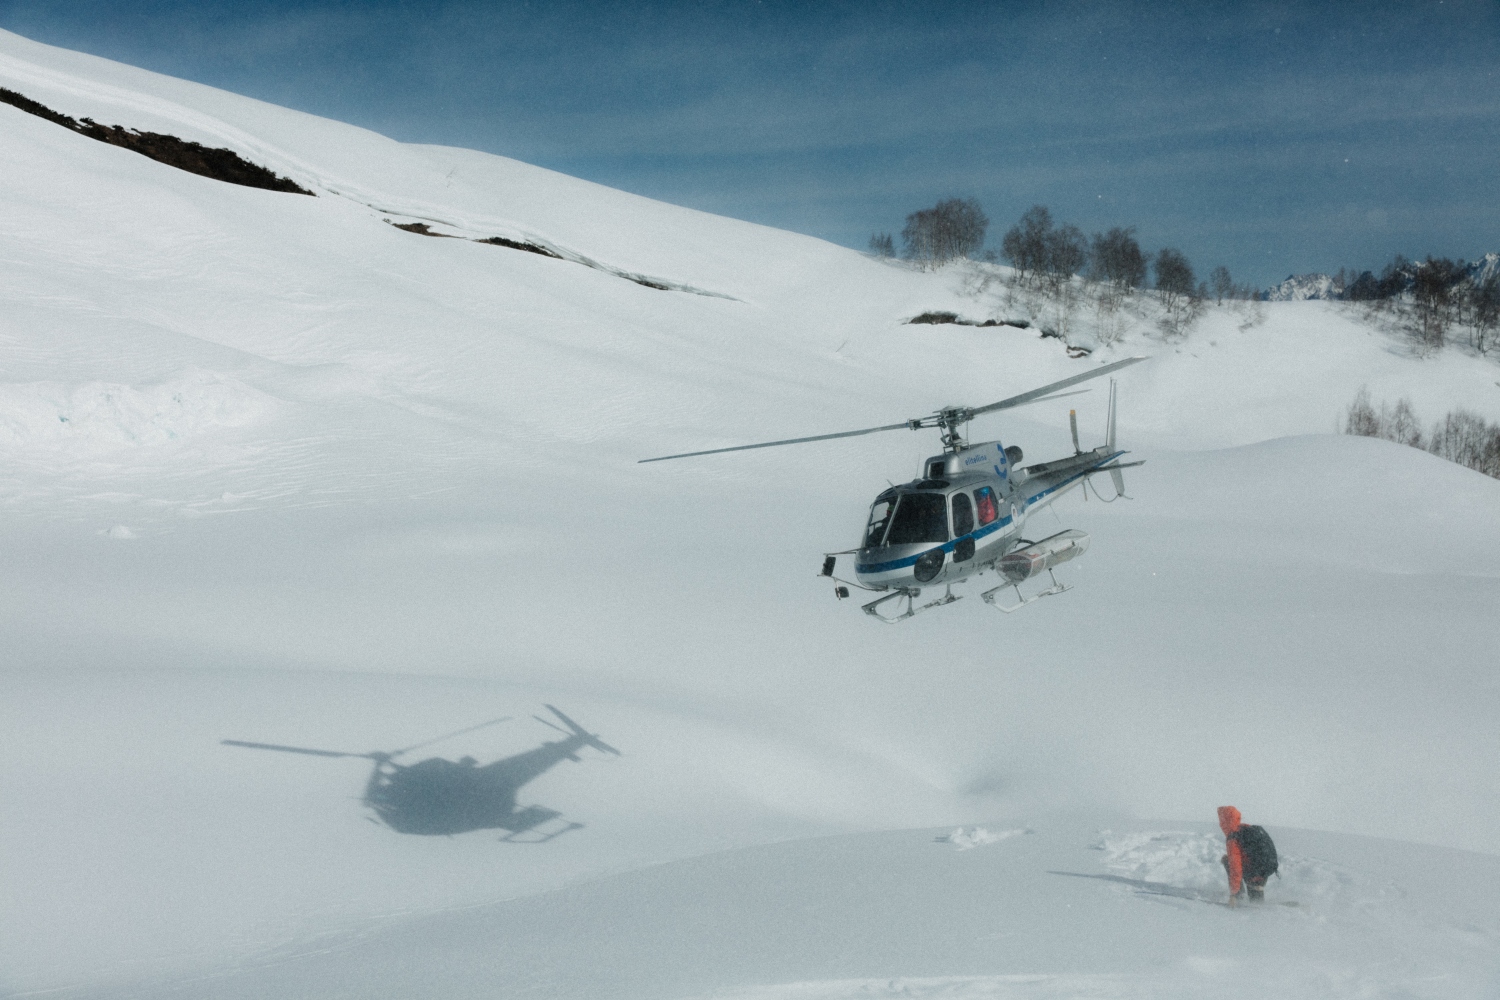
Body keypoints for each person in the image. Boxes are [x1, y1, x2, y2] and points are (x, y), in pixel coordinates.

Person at [1218, 805, 1276, 904]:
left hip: (1254, 873)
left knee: (1228, 861)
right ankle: (1259, 900)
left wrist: (1233, 894)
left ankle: (1238, 897)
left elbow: (1235, 868)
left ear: (1224, 821)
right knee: (1257, 902)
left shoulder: (1233, 837)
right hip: (1264, 870)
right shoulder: (1245, 828)